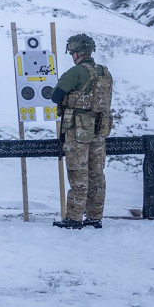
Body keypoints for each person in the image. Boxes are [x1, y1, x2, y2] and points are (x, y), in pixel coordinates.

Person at [51, 33, 114, 229]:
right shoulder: (105, 72)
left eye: (72, 52)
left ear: (77, 52)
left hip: (78, 131)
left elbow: (55, 96)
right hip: (99, 129)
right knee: (97, 174)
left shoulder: (76, 72)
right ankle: (95, 217)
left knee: (78, 174)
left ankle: (74, 218)